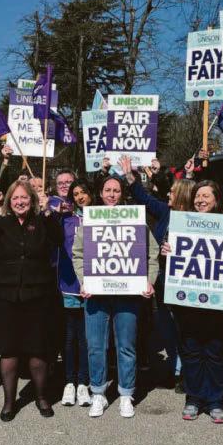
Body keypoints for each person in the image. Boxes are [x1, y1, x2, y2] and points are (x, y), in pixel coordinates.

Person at [0, 180, 63, 421]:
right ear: (9, 203)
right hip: (5, 297)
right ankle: (9, 402)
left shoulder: (42, 221)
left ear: (32, 200)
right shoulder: (0, 223)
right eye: (15, 198)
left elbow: (58, 239)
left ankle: (42, 397)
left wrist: (49, 212)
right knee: (8, 351)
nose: (20, 202)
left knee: (37, 350)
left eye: (24, 198)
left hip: (37, 295)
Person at [160, 180, 223, 423]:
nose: (200, 200)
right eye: (197, 196)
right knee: (190, 351)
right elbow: (167, 263)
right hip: (187, 303)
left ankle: (215, 401)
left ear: (217, 200)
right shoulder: (181, 224)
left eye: (206, 196)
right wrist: (165, 252)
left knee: (214, 351)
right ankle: (194, 397)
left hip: (218, 302)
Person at [72, 176, 160, 418]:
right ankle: (98, 392)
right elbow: (78, 254)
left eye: (116, 190)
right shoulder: (90, 221)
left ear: (122, 194)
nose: (112, 194)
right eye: (107, 190)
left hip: (127, 294)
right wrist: (84, 280)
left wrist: (149, 280)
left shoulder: (135, 220)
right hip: (96, 294)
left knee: (127, 346)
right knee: (96, 347)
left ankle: (125, 394)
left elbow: (151, 253)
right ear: (100, 193)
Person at [119, 155, 193, 389]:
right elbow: (143, 197)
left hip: (187, 283)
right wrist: (129, 174)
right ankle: (174, 367)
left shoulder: (198, 220)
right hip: (163, 279)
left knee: (184, 327)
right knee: (167, 327)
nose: (168, 195)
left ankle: (186, 371)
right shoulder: (166, 212)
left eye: (172, 192)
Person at [58, 180, 93, 408]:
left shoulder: (105, 217)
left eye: (84, 193)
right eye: (76, 194)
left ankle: (84, 383)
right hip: (70, 285)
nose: (80, 197)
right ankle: (69, 382)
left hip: (97, 286)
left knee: (88, 338)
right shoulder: (65, 220)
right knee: (70, 338)